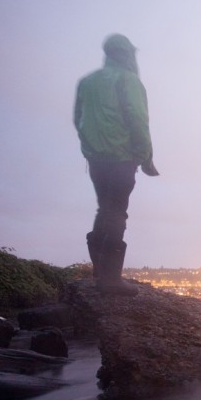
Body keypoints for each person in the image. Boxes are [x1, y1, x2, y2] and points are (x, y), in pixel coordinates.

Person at [74, 33, 159, 296]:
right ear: (126, 54)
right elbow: (138, 120)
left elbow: (79, 119)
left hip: (96, 158)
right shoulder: (129, 80)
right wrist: (145, 157)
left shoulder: (87, 82)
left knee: (105, 208)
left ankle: (101, 272)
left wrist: (89, 149)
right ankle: (110, 280)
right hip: (121, 156)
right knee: (117, 212)